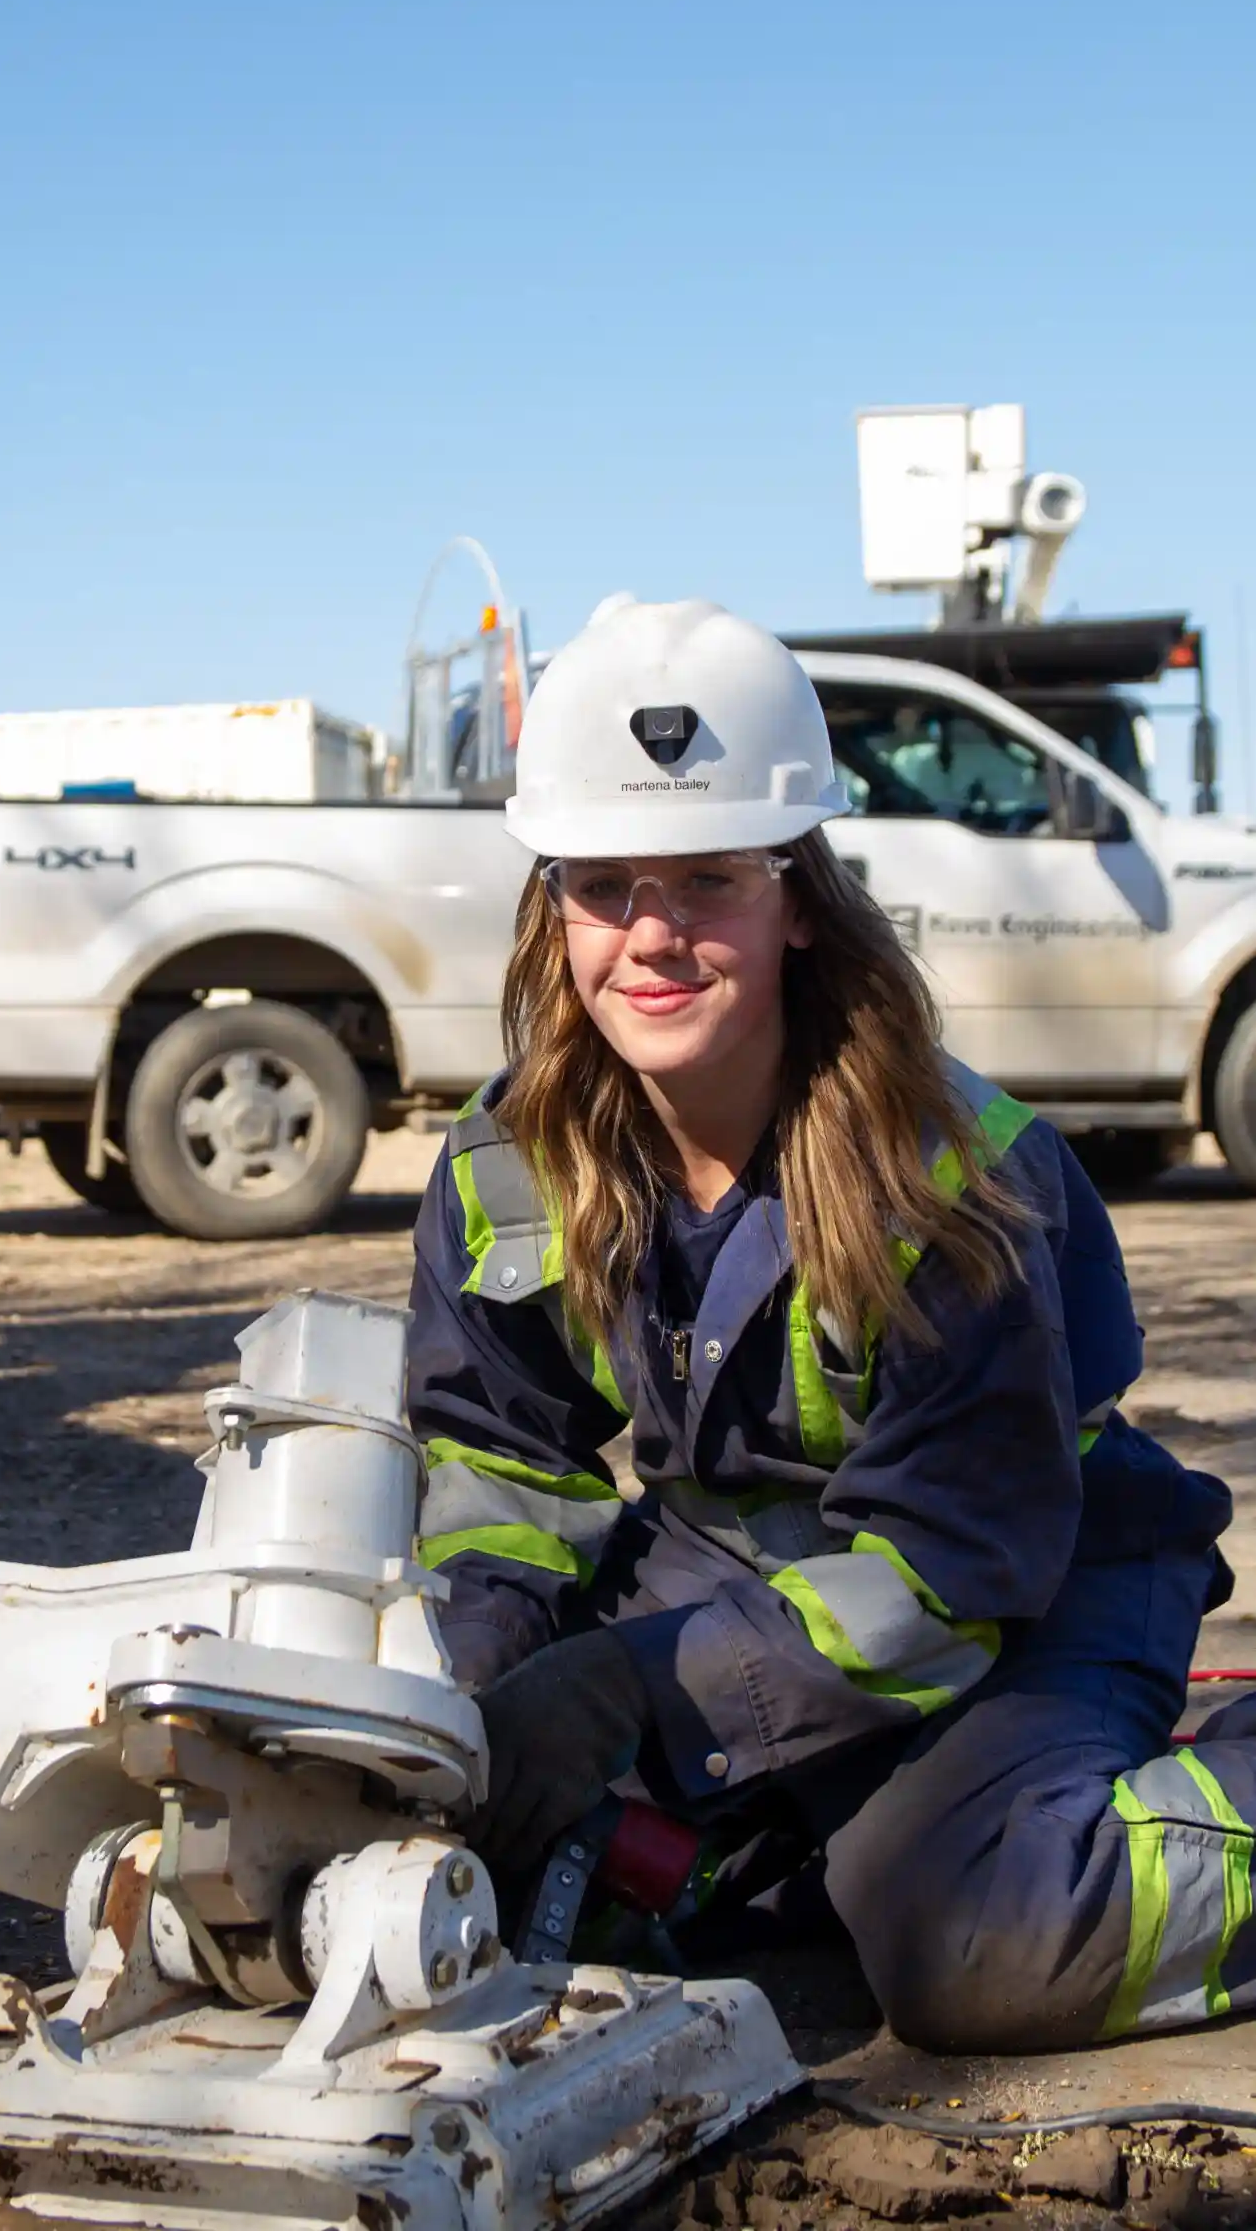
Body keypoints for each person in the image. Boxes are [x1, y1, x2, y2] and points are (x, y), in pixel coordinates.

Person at [407, 595, 1255, 2055]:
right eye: (602, 884)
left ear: (795, 896)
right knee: (484, 1868)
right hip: (731, 1576)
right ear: (552, 904)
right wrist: (486, 1697)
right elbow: (498, 1461)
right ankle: (805, 1836)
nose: (651, 935)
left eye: (707, 879)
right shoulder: (503, 1166)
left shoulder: (956, 1181)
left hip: (1029, 1586)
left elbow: (948, 1569)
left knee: (968, 1935)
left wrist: (628, 1690)